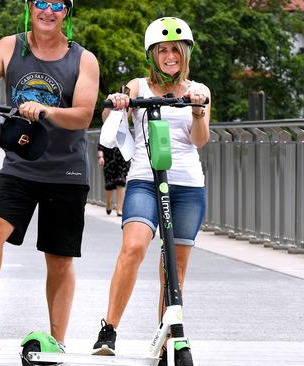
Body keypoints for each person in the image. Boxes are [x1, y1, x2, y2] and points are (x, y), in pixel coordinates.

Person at [0, 0, 99, 350]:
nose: (48, 11)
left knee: (58, 258)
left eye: (57, 4)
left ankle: (57, 340)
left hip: (66, 170)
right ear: (30, 7)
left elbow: (84, 115)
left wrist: (46, 109)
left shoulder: (83, 59)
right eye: (41, 2)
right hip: (20, 165)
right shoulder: (10, 46)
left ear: (66, 12)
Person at [91, 17, 211, 361]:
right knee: (133, 247)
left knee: (174, 267)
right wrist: (116, 101)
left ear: (184, 53)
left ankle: (165, 338)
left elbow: (199, 141)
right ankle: (109, 328)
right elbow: (107, 117)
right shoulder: (137, 86)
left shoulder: (198, 90)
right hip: (145, 179)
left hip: (188, 184)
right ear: (152, 54)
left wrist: (199, 110)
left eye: (175, 49)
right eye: (163, 50)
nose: (170, 55)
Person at [97, 145, 130, 216]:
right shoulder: (106, 133)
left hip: (122, 158)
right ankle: (108, 202)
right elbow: (101, 145)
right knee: (109, 184)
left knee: (121, 182)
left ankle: (119, 209)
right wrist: (101, 157)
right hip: (109, 158)